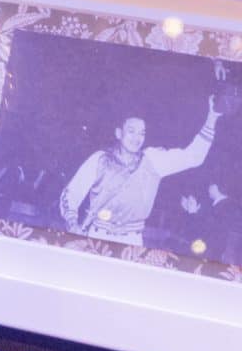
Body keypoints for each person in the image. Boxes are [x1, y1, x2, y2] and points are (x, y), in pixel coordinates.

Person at [58, 103, 220, 247]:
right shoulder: (100, 159)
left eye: (142, 133)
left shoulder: (153, 160)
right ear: (118, 133)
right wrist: (72, 224)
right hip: (97, 236)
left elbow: (193, 157)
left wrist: (211, 119)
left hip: (132, 241)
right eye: (131, 131)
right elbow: (71, 193)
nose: (137, 138)